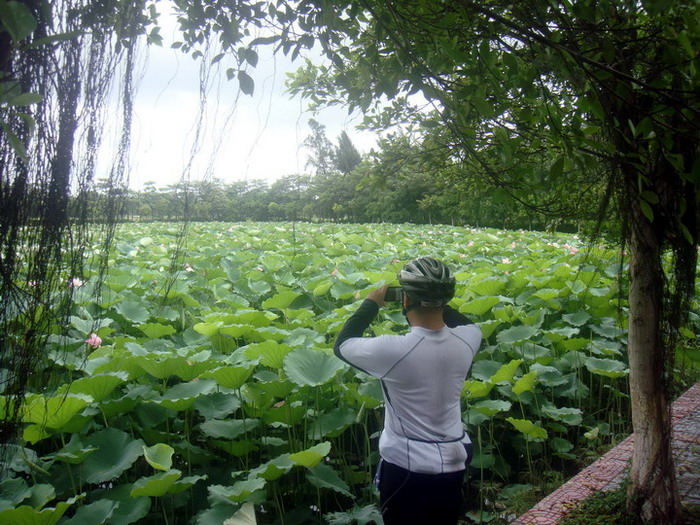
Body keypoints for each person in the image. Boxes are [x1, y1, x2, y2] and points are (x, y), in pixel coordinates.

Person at [333, 257, 482, 525]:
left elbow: (342, 344)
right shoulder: (470, 338)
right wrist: (435, 298)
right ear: (447, 298)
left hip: (407, 468)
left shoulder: (393, 350)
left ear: (406, 299)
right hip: (455, 461)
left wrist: (371, 302)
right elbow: (461, 322)